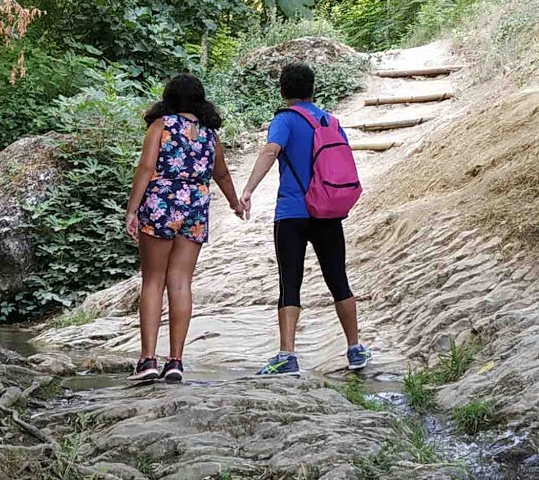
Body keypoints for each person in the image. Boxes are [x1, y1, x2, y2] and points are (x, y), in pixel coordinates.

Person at [240, 59, 369, 375]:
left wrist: (248, 191)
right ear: (313, 89)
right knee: (339, 279)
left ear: (283, 90)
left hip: (292, 212)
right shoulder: (330, 121)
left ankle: (287, 355)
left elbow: (270, 152)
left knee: (290, 283)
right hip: (327, 210)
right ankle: (355, 349)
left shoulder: (284, 120)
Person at [124, 72, 243, 383]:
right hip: (195, 206)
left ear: (169, 99)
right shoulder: (209, 136)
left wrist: (132, 209)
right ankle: (175, 361)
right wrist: (235, 203)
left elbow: (147, 167)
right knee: (180, 282)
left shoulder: (161, 126)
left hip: (161, 202)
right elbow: (223, 176)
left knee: (153, 281)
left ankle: (148, 360)